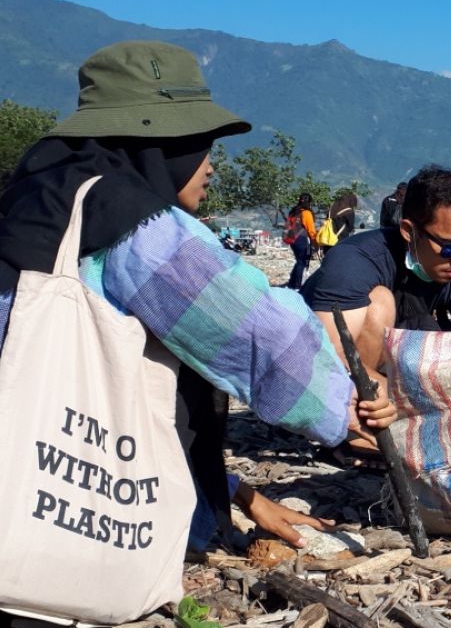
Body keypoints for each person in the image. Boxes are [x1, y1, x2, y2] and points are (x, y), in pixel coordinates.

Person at [0, 41, 394, 556]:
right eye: (202, 144)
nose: (210, 166)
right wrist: (347, 409)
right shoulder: (128, 219)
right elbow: (252, 328)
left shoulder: (36, 195)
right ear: (163, 143)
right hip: (86, 517)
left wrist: (236, 491)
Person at [302, 165, 451, 455]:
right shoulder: (356, 260)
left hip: (385, 366)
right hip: (307, 371)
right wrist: (409, 399)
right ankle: (350, 432)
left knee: (435, 331)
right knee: (380, 303)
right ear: (408, 231)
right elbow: (325, 353)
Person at [285, 192, 317, 289]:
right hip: (301, 239)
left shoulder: (293, 212)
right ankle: (297, 286)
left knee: (299, 261)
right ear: (309, 202)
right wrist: (315, 242)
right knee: (301, 262)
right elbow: (311, 230)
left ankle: (291, 283)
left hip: (292, 240)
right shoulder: (306, 213)